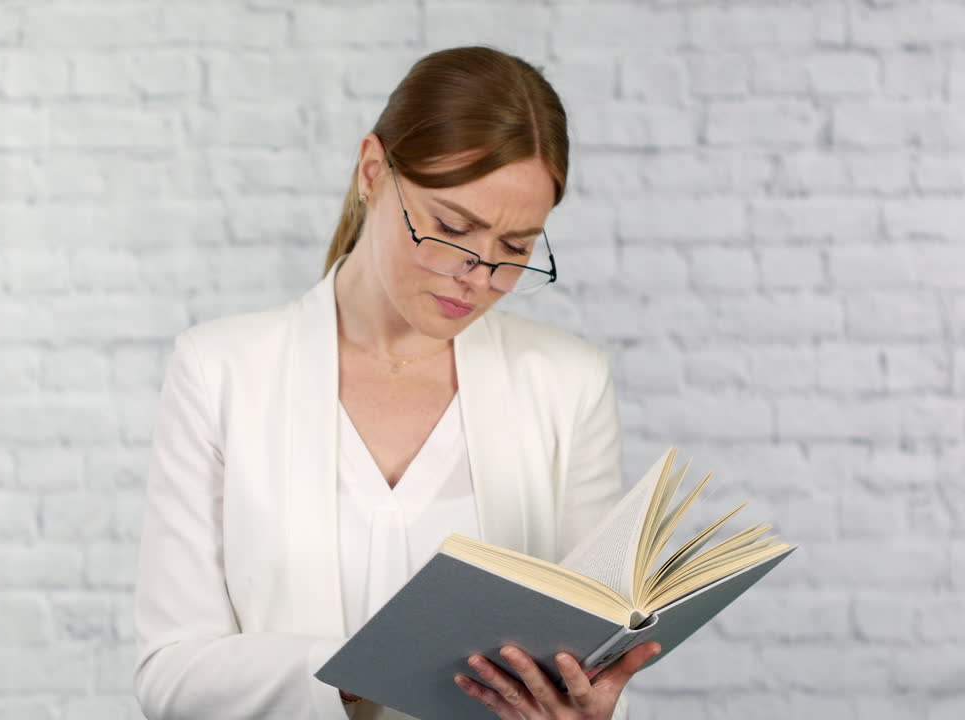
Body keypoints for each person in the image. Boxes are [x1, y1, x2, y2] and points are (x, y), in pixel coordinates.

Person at [132, 45, 660, 720]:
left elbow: (588, 644)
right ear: (373, 172)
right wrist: (369, 665)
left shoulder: (567, 383)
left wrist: (588, 707)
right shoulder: (220, 371)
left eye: (517, 247)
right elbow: (170, 674)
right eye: (451, 228)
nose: (478, 274)